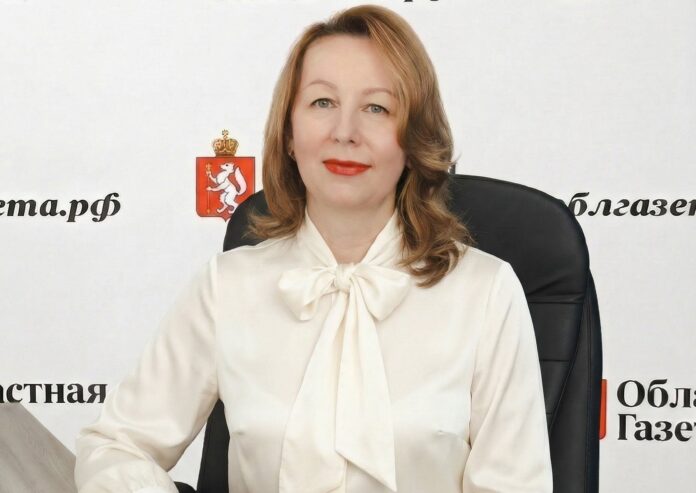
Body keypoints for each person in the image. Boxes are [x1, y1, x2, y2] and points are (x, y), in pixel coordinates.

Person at [74, 5, 553, 493]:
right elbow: (115, 447)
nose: (344, 132)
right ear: (288, 133)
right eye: (323, 102)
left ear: (412, 139)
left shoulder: (486, 292)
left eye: (377, 108)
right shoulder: (227, 286)